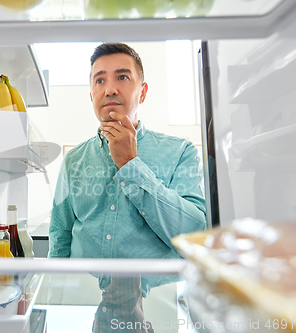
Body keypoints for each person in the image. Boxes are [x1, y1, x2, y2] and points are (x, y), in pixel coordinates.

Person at [48, 43, 206, 331]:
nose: (110, 89)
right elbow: (60, 236)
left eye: (122, 77)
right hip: (82, 310)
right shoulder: (73, 160)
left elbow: (194, 234)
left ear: (142, 91)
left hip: (158, 309)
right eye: (100, 80)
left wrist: (130, 164)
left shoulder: (181, 151)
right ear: (92, 95)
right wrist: (55, 298)